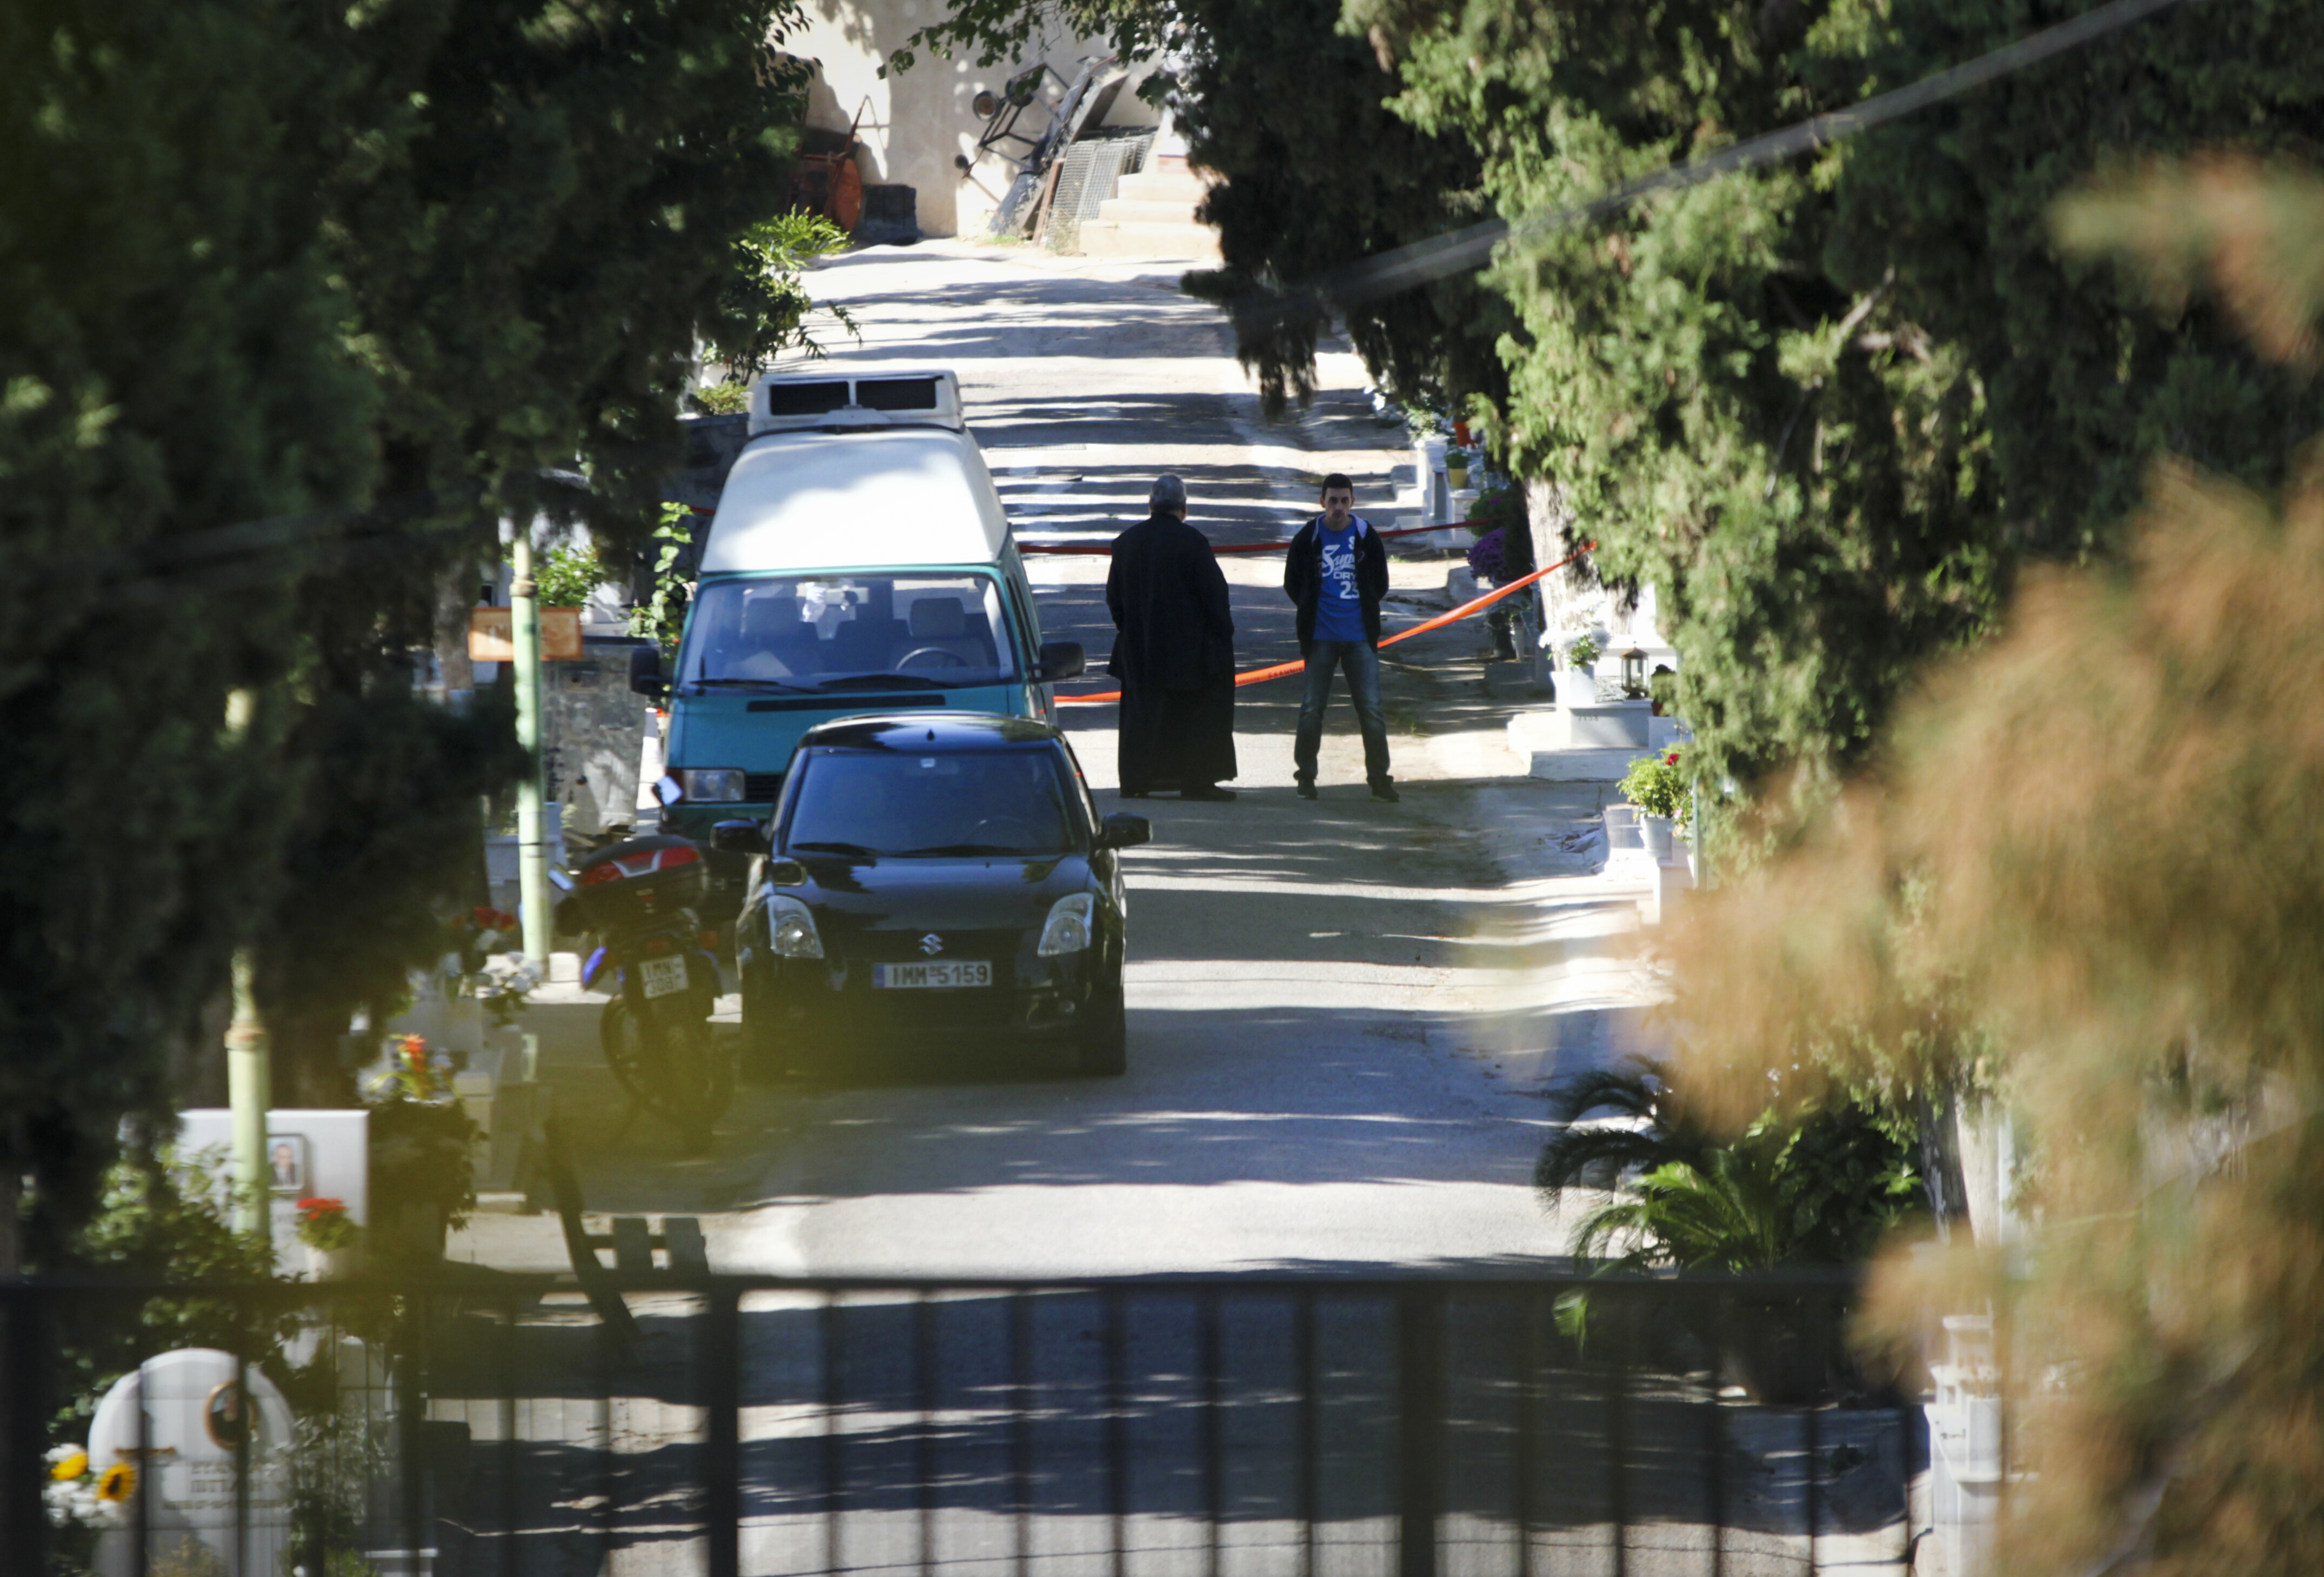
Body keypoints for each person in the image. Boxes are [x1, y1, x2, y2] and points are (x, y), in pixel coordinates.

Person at [1105, 475, 1238, 800]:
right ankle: (1196, 782)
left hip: (1140, 647)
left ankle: (1138, 782)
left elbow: (1115, 599)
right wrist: (1221, 636)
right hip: (1188, 650)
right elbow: (1215, 597)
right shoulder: (1193, 542)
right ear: (1184, 508)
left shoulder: (1126, 543)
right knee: (1196, 714)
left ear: (1151, 505)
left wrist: (1132, 630)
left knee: (1141, 717)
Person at [1285, 474, 1397, 801]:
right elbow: (1293, 583)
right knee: (1311, 709)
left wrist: (1363, 609)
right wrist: (1310, 610)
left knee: (1372, 709)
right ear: (1322, 502)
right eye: (1332, 500)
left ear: (1353, 502)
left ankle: (1380, 779)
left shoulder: (1365, 535)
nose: (1338, 507)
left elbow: (1381, 582)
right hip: (1320, 639)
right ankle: (1306, 776)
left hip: (1360, 639)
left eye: (1344, 500)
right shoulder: (1308, 537)